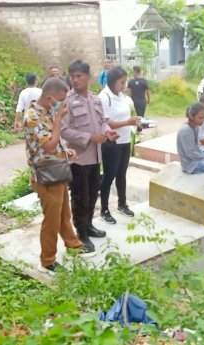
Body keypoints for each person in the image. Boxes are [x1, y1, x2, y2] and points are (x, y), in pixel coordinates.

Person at [25, 78, 94, 274]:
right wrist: (58, 120)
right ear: (49, 97)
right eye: (61, 99)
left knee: (64, 213)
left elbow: (54, 142)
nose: (64, 104)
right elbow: (48, 145)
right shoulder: (32, 117)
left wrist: (66, 150)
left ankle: (73, 245)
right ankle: (48, 259)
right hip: (46, 175)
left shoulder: (46, 111)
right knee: (52, 219)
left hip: (58, 169)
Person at [61, 60, 118, 251]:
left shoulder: (95, 100)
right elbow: (63, 130)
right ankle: (81, 234)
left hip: (96, 156)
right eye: (72, 76)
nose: (75, 80)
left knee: (93, 193)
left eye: (79, 76)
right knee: (80, 196)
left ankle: (89, 224)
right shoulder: (67, 101)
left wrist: (107, 131)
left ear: (88, 77)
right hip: (79, 158)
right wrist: (89, 138)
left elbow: (102, 122)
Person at [99, 66, 139, 224]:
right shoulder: (104, 97)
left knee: (122, 174)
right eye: (121, 82)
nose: (124, 85)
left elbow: (126, 116)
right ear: (113, 82)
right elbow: (106, 123)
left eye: (125, 82)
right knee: (109, 176)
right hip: (111, 143)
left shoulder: (121, 95)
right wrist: (127, 122)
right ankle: (104, 210)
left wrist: (135, 122)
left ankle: (122, 204)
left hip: (125, 140)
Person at [127, 66, 150, 134]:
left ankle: (138, 130)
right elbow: (148, 92)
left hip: (134, 101)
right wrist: (148, 100)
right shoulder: (144, 81)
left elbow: (129, 93)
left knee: (138, 116)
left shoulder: (131, 82)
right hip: (141, 101)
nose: (132, 73)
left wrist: (127, 100)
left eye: (133, 72)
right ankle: (139, 130)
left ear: (136, 72)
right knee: (140, 116)